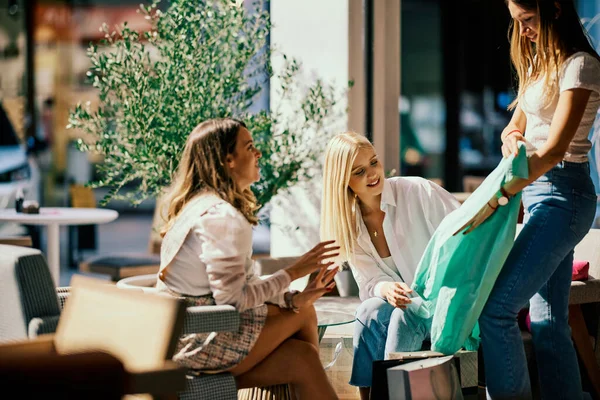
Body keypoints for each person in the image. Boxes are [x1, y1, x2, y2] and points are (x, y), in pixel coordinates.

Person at [461, 1, 600, 398]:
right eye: (516, 23)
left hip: (564, 196)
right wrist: (511, 140)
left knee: (497, 308)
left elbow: (556, 149)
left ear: (554, 9)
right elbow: (514, 126)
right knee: (547, 321)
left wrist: (502, 192)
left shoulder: (581, 66)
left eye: (527, 21)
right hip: (538, 194)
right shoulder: (541, 64)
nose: (522, 32)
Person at [157, 118, 340, 399]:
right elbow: (232, 300)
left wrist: (290, 297)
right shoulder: (221, 217)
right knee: (304, 314)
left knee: (302, 359)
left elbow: (243, 284)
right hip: (197, 344)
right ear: (228, 159)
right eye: (250, 147)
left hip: (175, 340)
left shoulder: (199, 206)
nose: (259, 154)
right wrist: (292, 273)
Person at [320, 132, 460, 400]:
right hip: (410, 305)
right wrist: (386, 289)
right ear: (344, 181)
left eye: (374, 162)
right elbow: (370, 282)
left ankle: (390, 395)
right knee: (370, 309)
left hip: (446, 301)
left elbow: (466, 235)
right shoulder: (350, 226)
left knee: (404, 314)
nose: (373, 174)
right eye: (359, 171)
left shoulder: (418, 191)